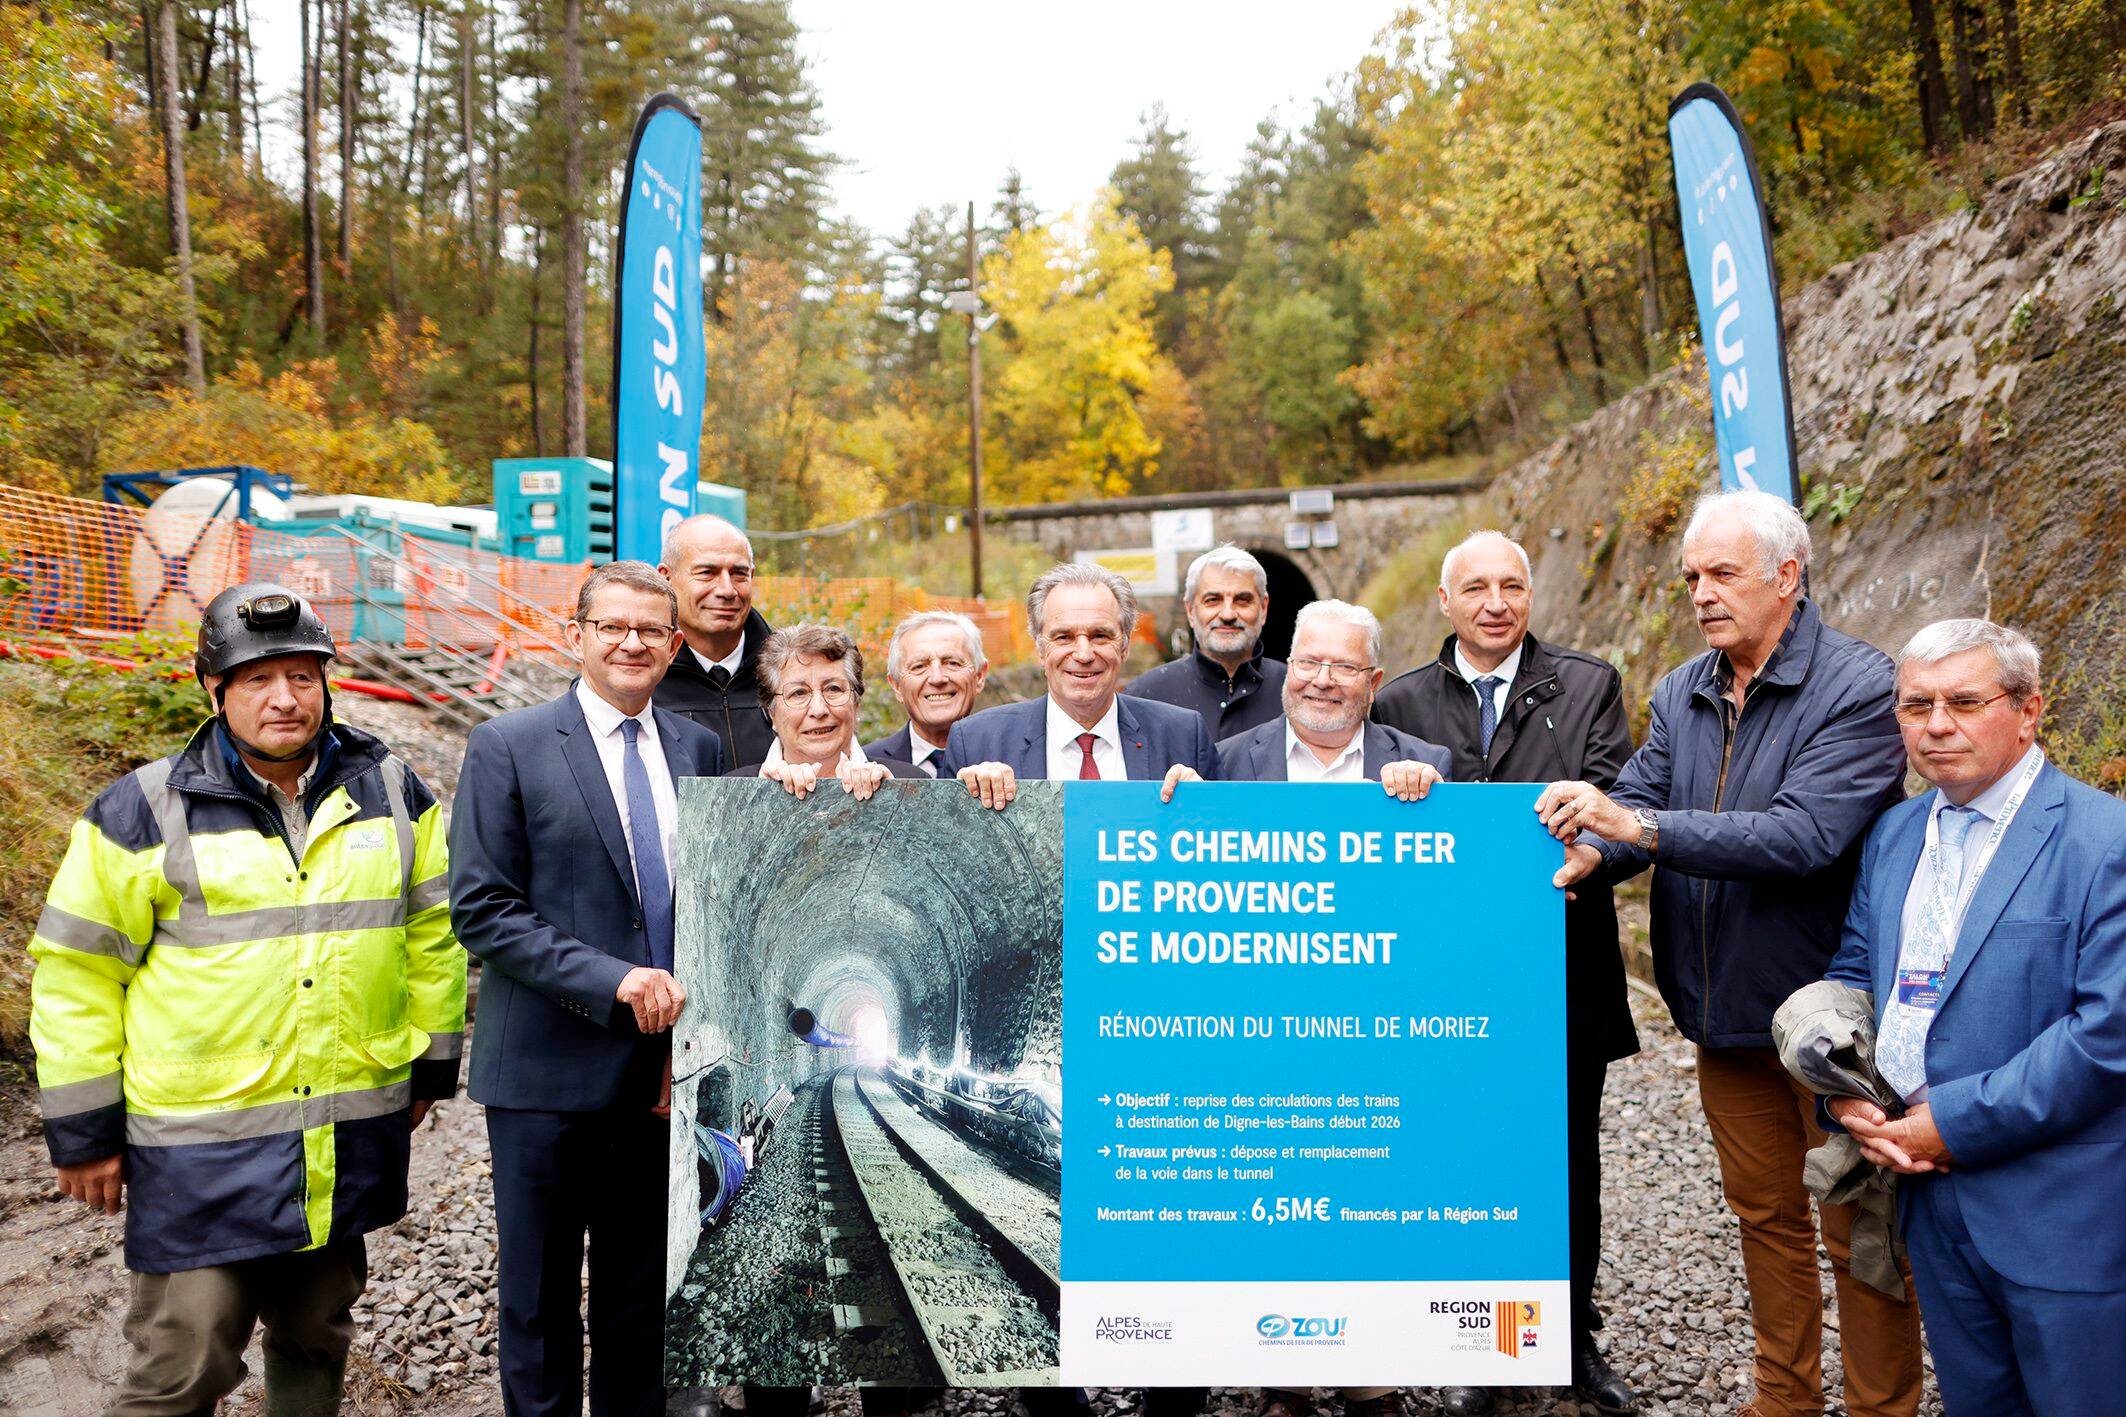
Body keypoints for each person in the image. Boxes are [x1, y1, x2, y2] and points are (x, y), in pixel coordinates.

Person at [30, 582, 464, 1415]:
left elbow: (434, 936)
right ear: (213, 689)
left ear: (327, 684)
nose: (284, 698)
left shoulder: (394, 790)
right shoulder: (144, 810)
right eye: (258, 678)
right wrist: (83, 1131)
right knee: (181, 1362)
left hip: (337, 1140)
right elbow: (77, 973)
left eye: (303, 676)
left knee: (315, 1341)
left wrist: (429, 1069)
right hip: (199, 1154)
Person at [1536, 490, 1924, 1417]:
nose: (1701, 594)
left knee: (1860, 1231)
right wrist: (1594, 846)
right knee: (1765, 1223)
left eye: (1721, 574)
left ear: (1786, 576)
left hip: (1831, 1025)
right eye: (1691, 578)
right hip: (1719, 1015)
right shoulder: (1684, 687)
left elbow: (1803, 836)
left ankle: (1880, 1407)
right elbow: (1634, 798)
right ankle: (1781, 1400)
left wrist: (1642, 825)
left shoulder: (1860, 686)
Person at [1821, 619, 2126, 1417]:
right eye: (1915, 704)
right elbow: (1856, 973)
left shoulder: (2104, 841)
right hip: (1926, 1201)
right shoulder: (1893, 834)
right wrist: (1846, 1093)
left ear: (2029, 710)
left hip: (2061, 1210)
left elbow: (2107, 1037)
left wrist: (1949, 1122)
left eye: (1963, 700)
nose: (1936, 724)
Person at [1371, 531, 1641, 1416]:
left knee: (1569, 1153)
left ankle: (1570, 1336)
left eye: (1513, 585)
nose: (1496, 601)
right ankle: (1473, 1339)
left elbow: (1619, 808)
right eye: (1476, 587)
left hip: (1564, 959)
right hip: (1438, 973)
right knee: (1455, 1148)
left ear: (1531, 594)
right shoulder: (1401, 698)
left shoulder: (1589, 682)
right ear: (1444, 602)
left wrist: (1591, 848)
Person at [450, 561, 726, 1417]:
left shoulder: (700, 749)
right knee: (535, 1298)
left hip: (656, 1080)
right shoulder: (509, 745)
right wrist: (614, 981)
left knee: (638, 1298)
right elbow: (483, 909)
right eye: (613, 626)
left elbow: (714, 897)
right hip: (543, 1075)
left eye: (651, 628)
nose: (633, 642)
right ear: (577, 635)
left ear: (674, 643)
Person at [942, 562, 1217, 799]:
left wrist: (1205, 807)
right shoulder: (976, 743)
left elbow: (1224, 846)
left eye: (1100, 635)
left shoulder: (1183, 736)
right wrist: (968, 808)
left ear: (1124, 646)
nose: (1084, 654)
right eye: (1064, 637)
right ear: (1039, 647)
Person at [1216, 598, 1449, 790]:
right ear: (1289, 668)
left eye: (1345, 667)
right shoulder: (1224, 762)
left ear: (1372, 684)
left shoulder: (1424, 765)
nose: (1323, 681)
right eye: (1308, 662)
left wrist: (1433, 804)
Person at [728, 623, 926, 793]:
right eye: (798, 693)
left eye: (833, 689)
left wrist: (892, 802)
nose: (819, 709)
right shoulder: (733, 791)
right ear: (771, 712)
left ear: (856, 704)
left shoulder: (909, 783)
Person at [1127, 544, 1286, 741]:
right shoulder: (1144, 696)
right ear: (1190, 610)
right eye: (1212, 600)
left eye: (1242, 600)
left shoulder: (1295, 690)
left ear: (1263, 608)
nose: (1228, 614)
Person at [658, 513, 775, 768]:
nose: (726, 590)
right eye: (707, 573)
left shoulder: (787, 671)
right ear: (666, 577)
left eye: (738, 574)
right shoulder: (642, 677)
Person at [865, 610, 990, 776]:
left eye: (952, 663)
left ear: (979, 676)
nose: (937, 678)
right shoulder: (867, 764)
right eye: (919, 666)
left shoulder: (1013, 755)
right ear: (896, 686)